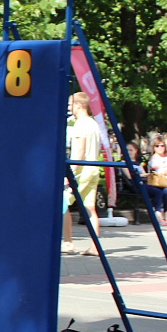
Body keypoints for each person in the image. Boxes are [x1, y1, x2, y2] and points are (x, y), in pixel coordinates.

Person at [62, 93, 103, 255]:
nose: (69, 107)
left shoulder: (81, 125)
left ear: (79, 105)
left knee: (62, 203)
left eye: (70, 104)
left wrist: (70, 174)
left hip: (82, 170)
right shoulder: (93, 124)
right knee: (90, 208)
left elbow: (79, 151)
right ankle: (95, 246)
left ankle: (68, 242)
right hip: (94, 167)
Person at [124, 142, 167, 227]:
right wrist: (141, 175)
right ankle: (158, 216)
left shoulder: (138, 163)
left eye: (131, 150)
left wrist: (147, 175)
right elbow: (129, 176)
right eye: (127, 150)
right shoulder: (124, 162)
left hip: (144, 183)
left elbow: (144, 173)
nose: (129, 152)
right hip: (135, 185)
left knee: (166, 192)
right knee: (158, 192)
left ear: (136, 151)